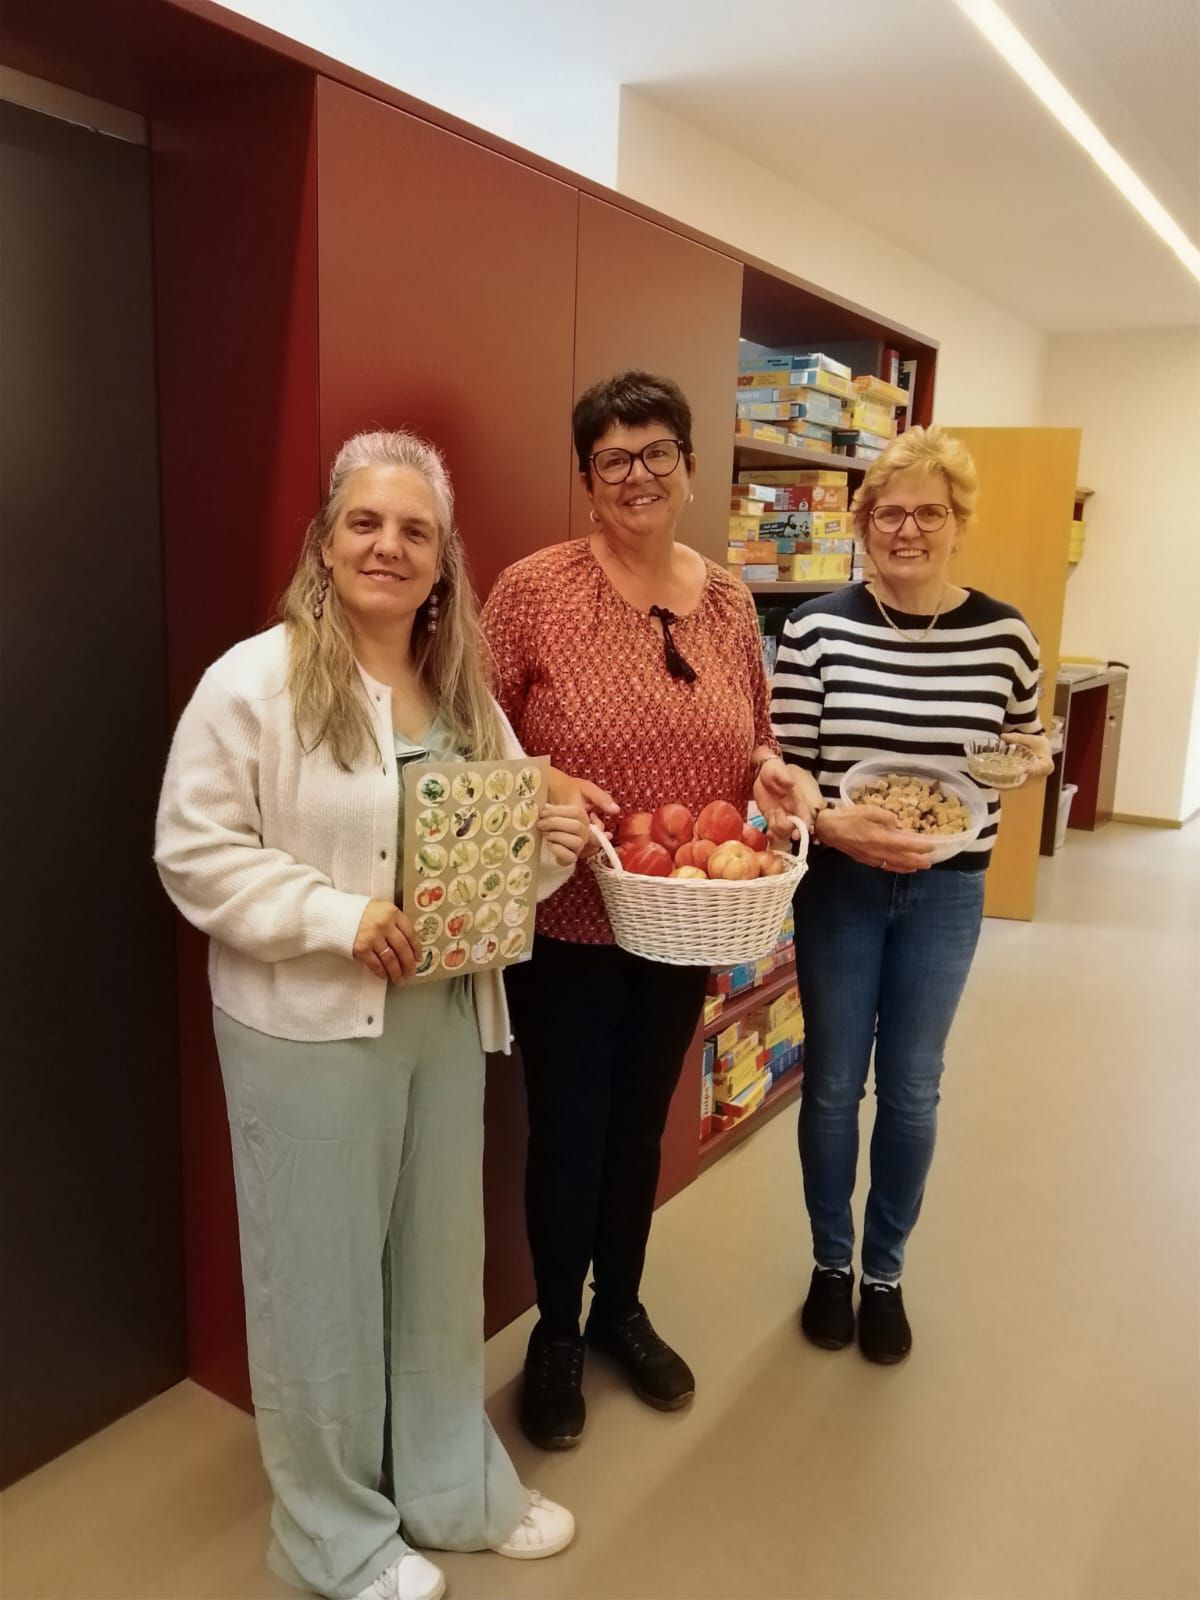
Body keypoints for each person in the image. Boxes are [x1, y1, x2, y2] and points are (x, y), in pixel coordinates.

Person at [156, 431, 589, 1600]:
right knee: (319, 1288)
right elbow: (192, 854)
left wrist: (542, 852)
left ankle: (452, 1487)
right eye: (365, 522)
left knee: (440, 1271)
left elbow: (488, 864)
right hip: (308, 1033)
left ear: (444, 561)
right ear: (325, 540)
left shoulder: (465, 695)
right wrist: (335, 916)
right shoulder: (252, 683)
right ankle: (332, 1533)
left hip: (446, 1023)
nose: (388, 546)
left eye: (415, 530)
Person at [479, 371, 813, 1450]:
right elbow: (473, 739)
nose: (637, 474)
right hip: (571, 917)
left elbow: (757, 733)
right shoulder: (534, 591)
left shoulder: (725, 600)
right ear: (585, 476)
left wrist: (769, 773)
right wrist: (541, 783)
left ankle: (621, 1306)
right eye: (614, 457)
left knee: (637, 1130)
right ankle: (557, 1335)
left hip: (686, 913)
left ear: (688, 464)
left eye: (657, 451)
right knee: (568, 1131)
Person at [771, 425, 1053, 1365]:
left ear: (957, 522)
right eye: (888, 512)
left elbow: (1020, 743)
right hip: (841, 889)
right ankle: (828, 1264)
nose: (907, 529)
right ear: (863, 523)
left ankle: (885, 1271)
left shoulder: (1007, 635)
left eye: (929, 512)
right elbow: (790, 771)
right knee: (834, 1084)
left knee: (916, 1090)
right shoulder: (816, 627)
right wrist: (834, 818)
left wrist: (1032, 758)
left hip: (948, 890)